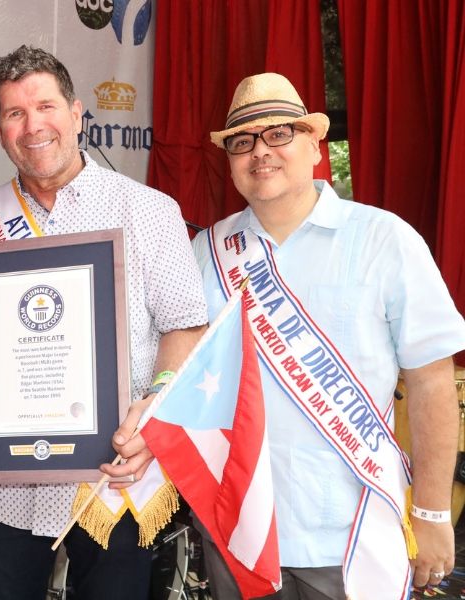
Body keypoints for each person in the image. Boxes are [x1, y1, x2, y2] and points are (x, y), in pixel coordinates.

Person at [0, 45, 208, 600]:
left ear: (78, 112)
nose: (33, 125)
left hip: (112, 475)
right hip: (2, 485)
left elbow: (185, 325)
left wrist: (155, 404)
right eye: (15, 113)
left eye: (46, 106)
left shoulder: (148, 210)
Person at [194, 72, 465, 599]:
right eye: (242, 142)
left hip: (355, 535)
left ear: (315, 146)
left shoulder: (385, 239)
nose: (261, 152)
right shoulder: (209, 252)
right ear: (229, 161)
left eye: (279, 134)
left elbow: (432, 383)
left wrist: (432, 514)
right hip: (241, 534)